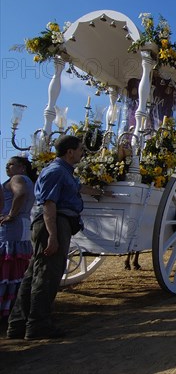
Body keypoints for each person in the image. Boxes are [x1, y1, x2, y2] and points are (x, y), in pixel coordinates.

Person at [7, 135, 109, 340]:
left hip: (54, 223)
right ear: (70, 152)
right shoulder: (55, 171)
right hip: (53, 224)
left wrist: (99, 191)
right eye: (80, 149)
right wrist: (53, 235)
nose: (82, 152)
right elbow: (49, 204)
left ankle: (18, 324)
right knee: (47, 275)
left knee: (34, 273)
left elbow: (77, 188)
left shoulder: (63, 172)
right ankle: (38, 324)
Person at [0, 157, 36, 321]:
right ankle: (14, 304)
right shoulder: (29, 181)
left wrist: (10, 214)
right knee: (16, 262)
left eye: (11, 165)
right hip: (23, 223)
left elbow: (20, 193)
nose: (7, 168)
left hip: (12, 225)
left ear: (22, 167)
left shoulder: (17, 179)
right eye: (6, 165)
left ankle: (6, 306)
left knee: (7, 261)